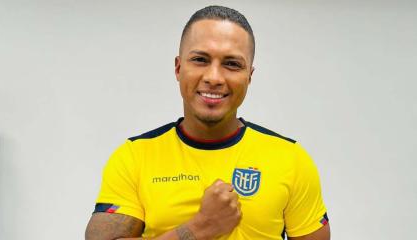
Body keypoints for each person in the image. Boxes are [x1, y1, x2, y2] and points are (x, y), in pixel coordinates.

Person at [85, 5, 330, 240]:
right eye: (201, 59)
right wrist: (200, 228)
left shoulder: (291, 159)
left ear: (249, 77)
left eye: (232, 64)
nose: (214, 77)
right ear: (178, 68)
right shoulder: (134, 157)